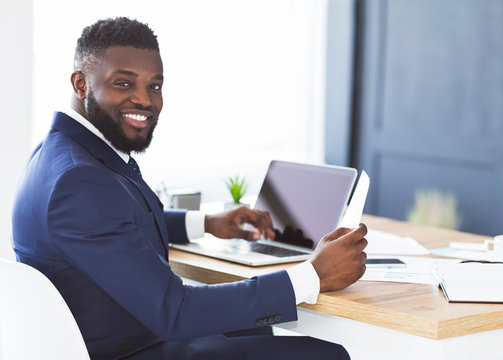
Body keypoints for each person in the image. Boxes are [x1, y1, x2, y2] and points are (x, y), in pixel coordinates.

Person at [11, 17, 368, 360]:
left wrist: (207, 223)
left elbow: (112, 224)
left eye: (154, 85)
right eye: (124, 83)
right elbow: (175, 312)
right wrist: (312, 275)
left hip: (122, 336)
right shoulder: (81, 181)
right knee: (326, 354)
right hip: (133, 349)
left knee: (255, 328)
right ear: (81, 84)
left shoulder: (62, 152)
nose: (145, 100)